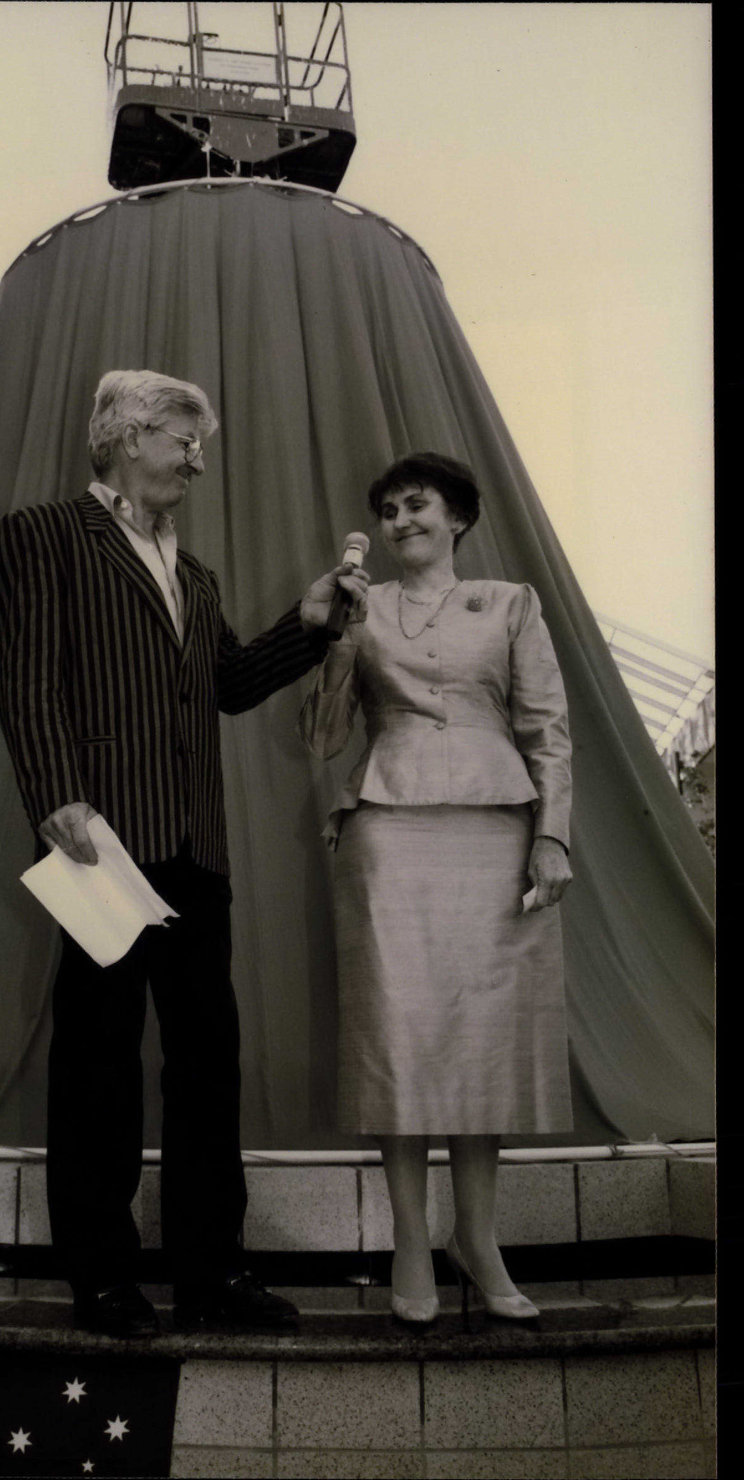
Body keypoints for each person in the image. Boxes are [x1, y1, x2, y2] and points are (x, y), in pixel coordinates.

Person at [0, 369, 367, 1337]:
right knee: (98, 1061)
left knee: (208, 1064)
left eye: (200, 445)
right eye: (182, 441)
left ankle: (211, 1274)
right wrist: (54, 797)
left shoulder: (193, 574)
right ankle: (103, 1277)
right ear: (124, 434)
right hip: (99, 842)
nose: (198, 460)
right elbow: (28, 681)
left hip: (196, 849)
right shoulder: (38, 535)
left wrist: (309, 622)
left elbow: (231, 684)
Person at [300, 452, 572, 1326]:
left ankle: (478, 1238)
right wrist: (336, 637)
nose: (399, 520)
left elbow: (547, 729)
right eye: (386, 510)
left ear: (456, 516)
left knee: (483, 1040)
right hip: (387, 824)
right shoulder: (360, 605)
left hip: (496, 828)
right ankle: (412, 1240)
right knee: (400, 1038)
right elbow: (322, 735)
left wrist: (553, 836)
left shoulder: (513, 602)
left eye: (416, 505)